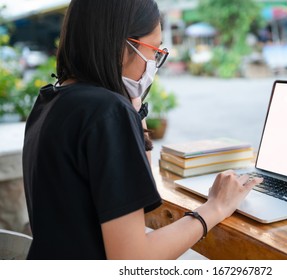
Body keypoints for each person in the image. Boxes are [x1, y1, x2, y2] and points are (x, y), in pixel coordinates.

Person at [22, 0, 262, 260]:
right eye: (154, 50)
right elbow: (134, 260)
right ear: (122, 45)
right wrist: (216, 207)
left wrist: (134, 105)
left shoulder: (53, 99)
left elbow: (134, 191)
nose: (154, 63)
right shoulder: (105, 111)